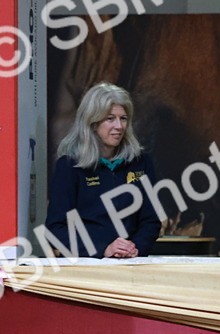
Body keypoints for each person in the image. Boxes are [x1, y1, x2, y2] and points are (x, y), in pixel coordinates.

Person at [45, 82, 161, 259]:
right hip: (87, 266)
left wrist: (135, 249)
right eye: (110, 119)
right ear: (92, 123)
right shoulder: (69, 166)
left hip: (132, 263)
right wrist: (103, 250)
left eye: (123, 118)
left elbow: (151, 220)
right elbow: (55, 229)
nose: (119, 126)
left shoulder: (140, 162)